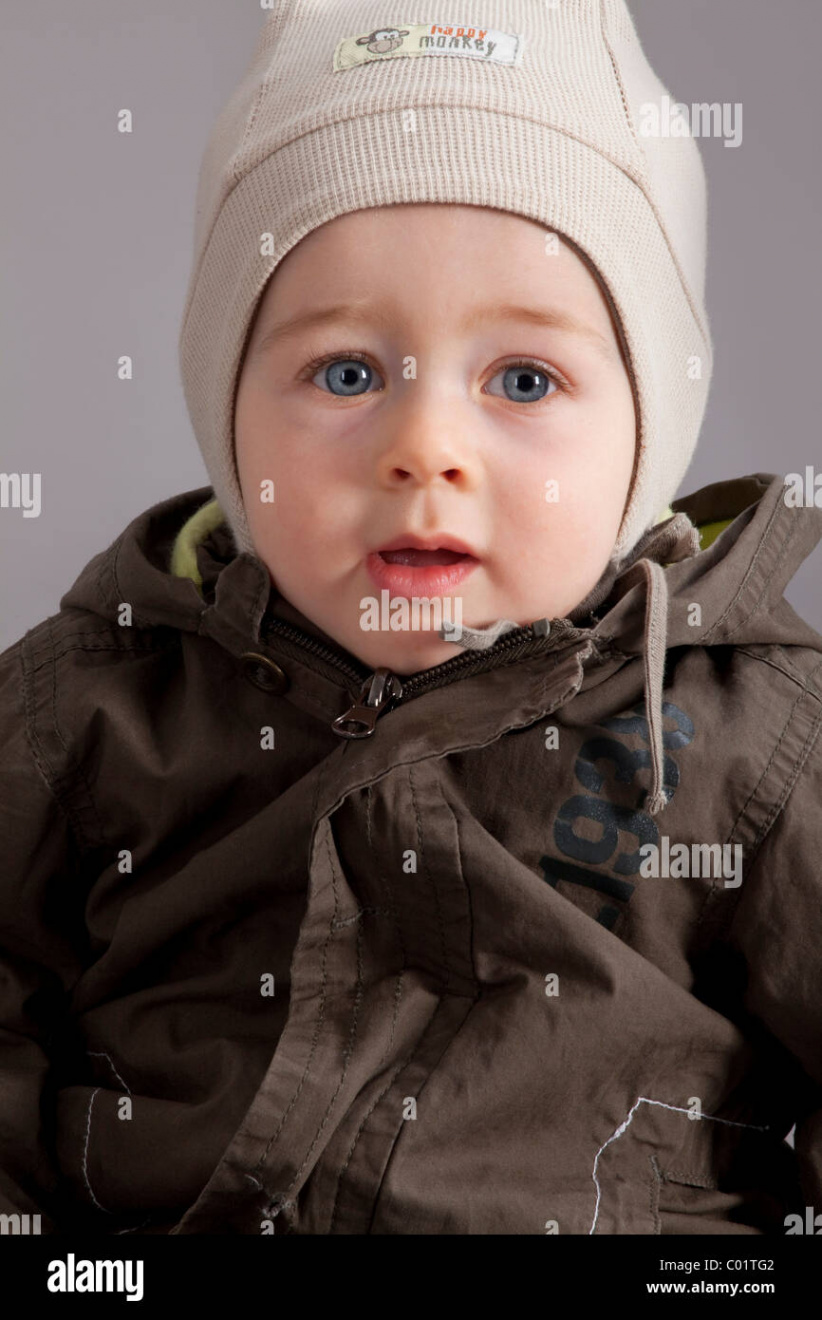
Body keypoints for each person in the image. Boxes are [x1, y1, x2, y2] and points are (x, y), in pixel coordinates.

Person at [1, 0, 821, 1237]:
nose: (424, 448)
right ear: (230, 414)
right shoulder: (92, 707)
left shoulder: (749, 739)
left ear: (646, 435)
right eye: (345, 374)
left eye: (525, 380)